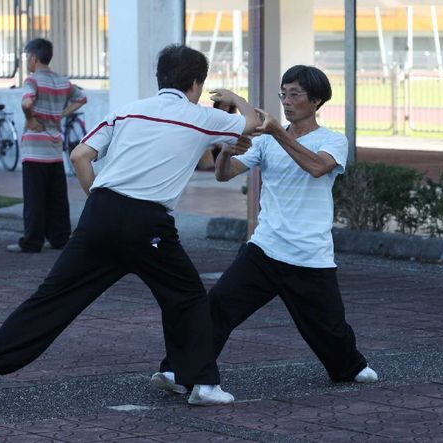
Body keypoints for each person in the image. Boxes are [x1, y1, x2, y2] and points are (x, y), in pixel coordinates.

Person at [0, 44, 260, 406]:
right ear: (196, 83)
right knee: (187, 297)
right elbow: (259, 122)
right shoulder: (200, 117)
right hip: (149, 223)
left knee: (52, 299)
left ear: (159, 77)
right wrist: (234, 97)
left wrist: (97, 202)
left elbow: (80, 156)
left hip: (100, 213)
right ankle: (203, 385)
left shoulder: (127, 111)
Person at [150, 65, 377, 395]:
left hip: (310, 254)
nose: (287, 101)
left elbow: (317, 167)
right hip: (265, 248)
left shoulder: (332, 140)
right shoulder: (267, 140)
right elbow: (223, 175)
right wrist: (226, 151)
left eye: (295, 94)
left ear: (316, 101)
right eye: (284, 93)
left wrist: (276, 133)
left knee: (328, 329)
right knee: (217, 308)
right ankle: (179, 372)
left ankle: (350, 366)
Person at [7, 38, 87, 253]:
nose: (27, 62)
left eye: (27, 57)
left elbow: (26, 102)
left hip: (34, 148)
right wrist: (61, 114)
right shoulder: (62, 82)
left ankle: (33, 241)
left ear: (33, 58)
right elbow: (81, 98)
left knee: (35, 197)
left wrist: (31, 118)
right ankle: (60, 238)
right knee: (57, 197)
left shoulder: (32, 81)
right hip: (54, 147)